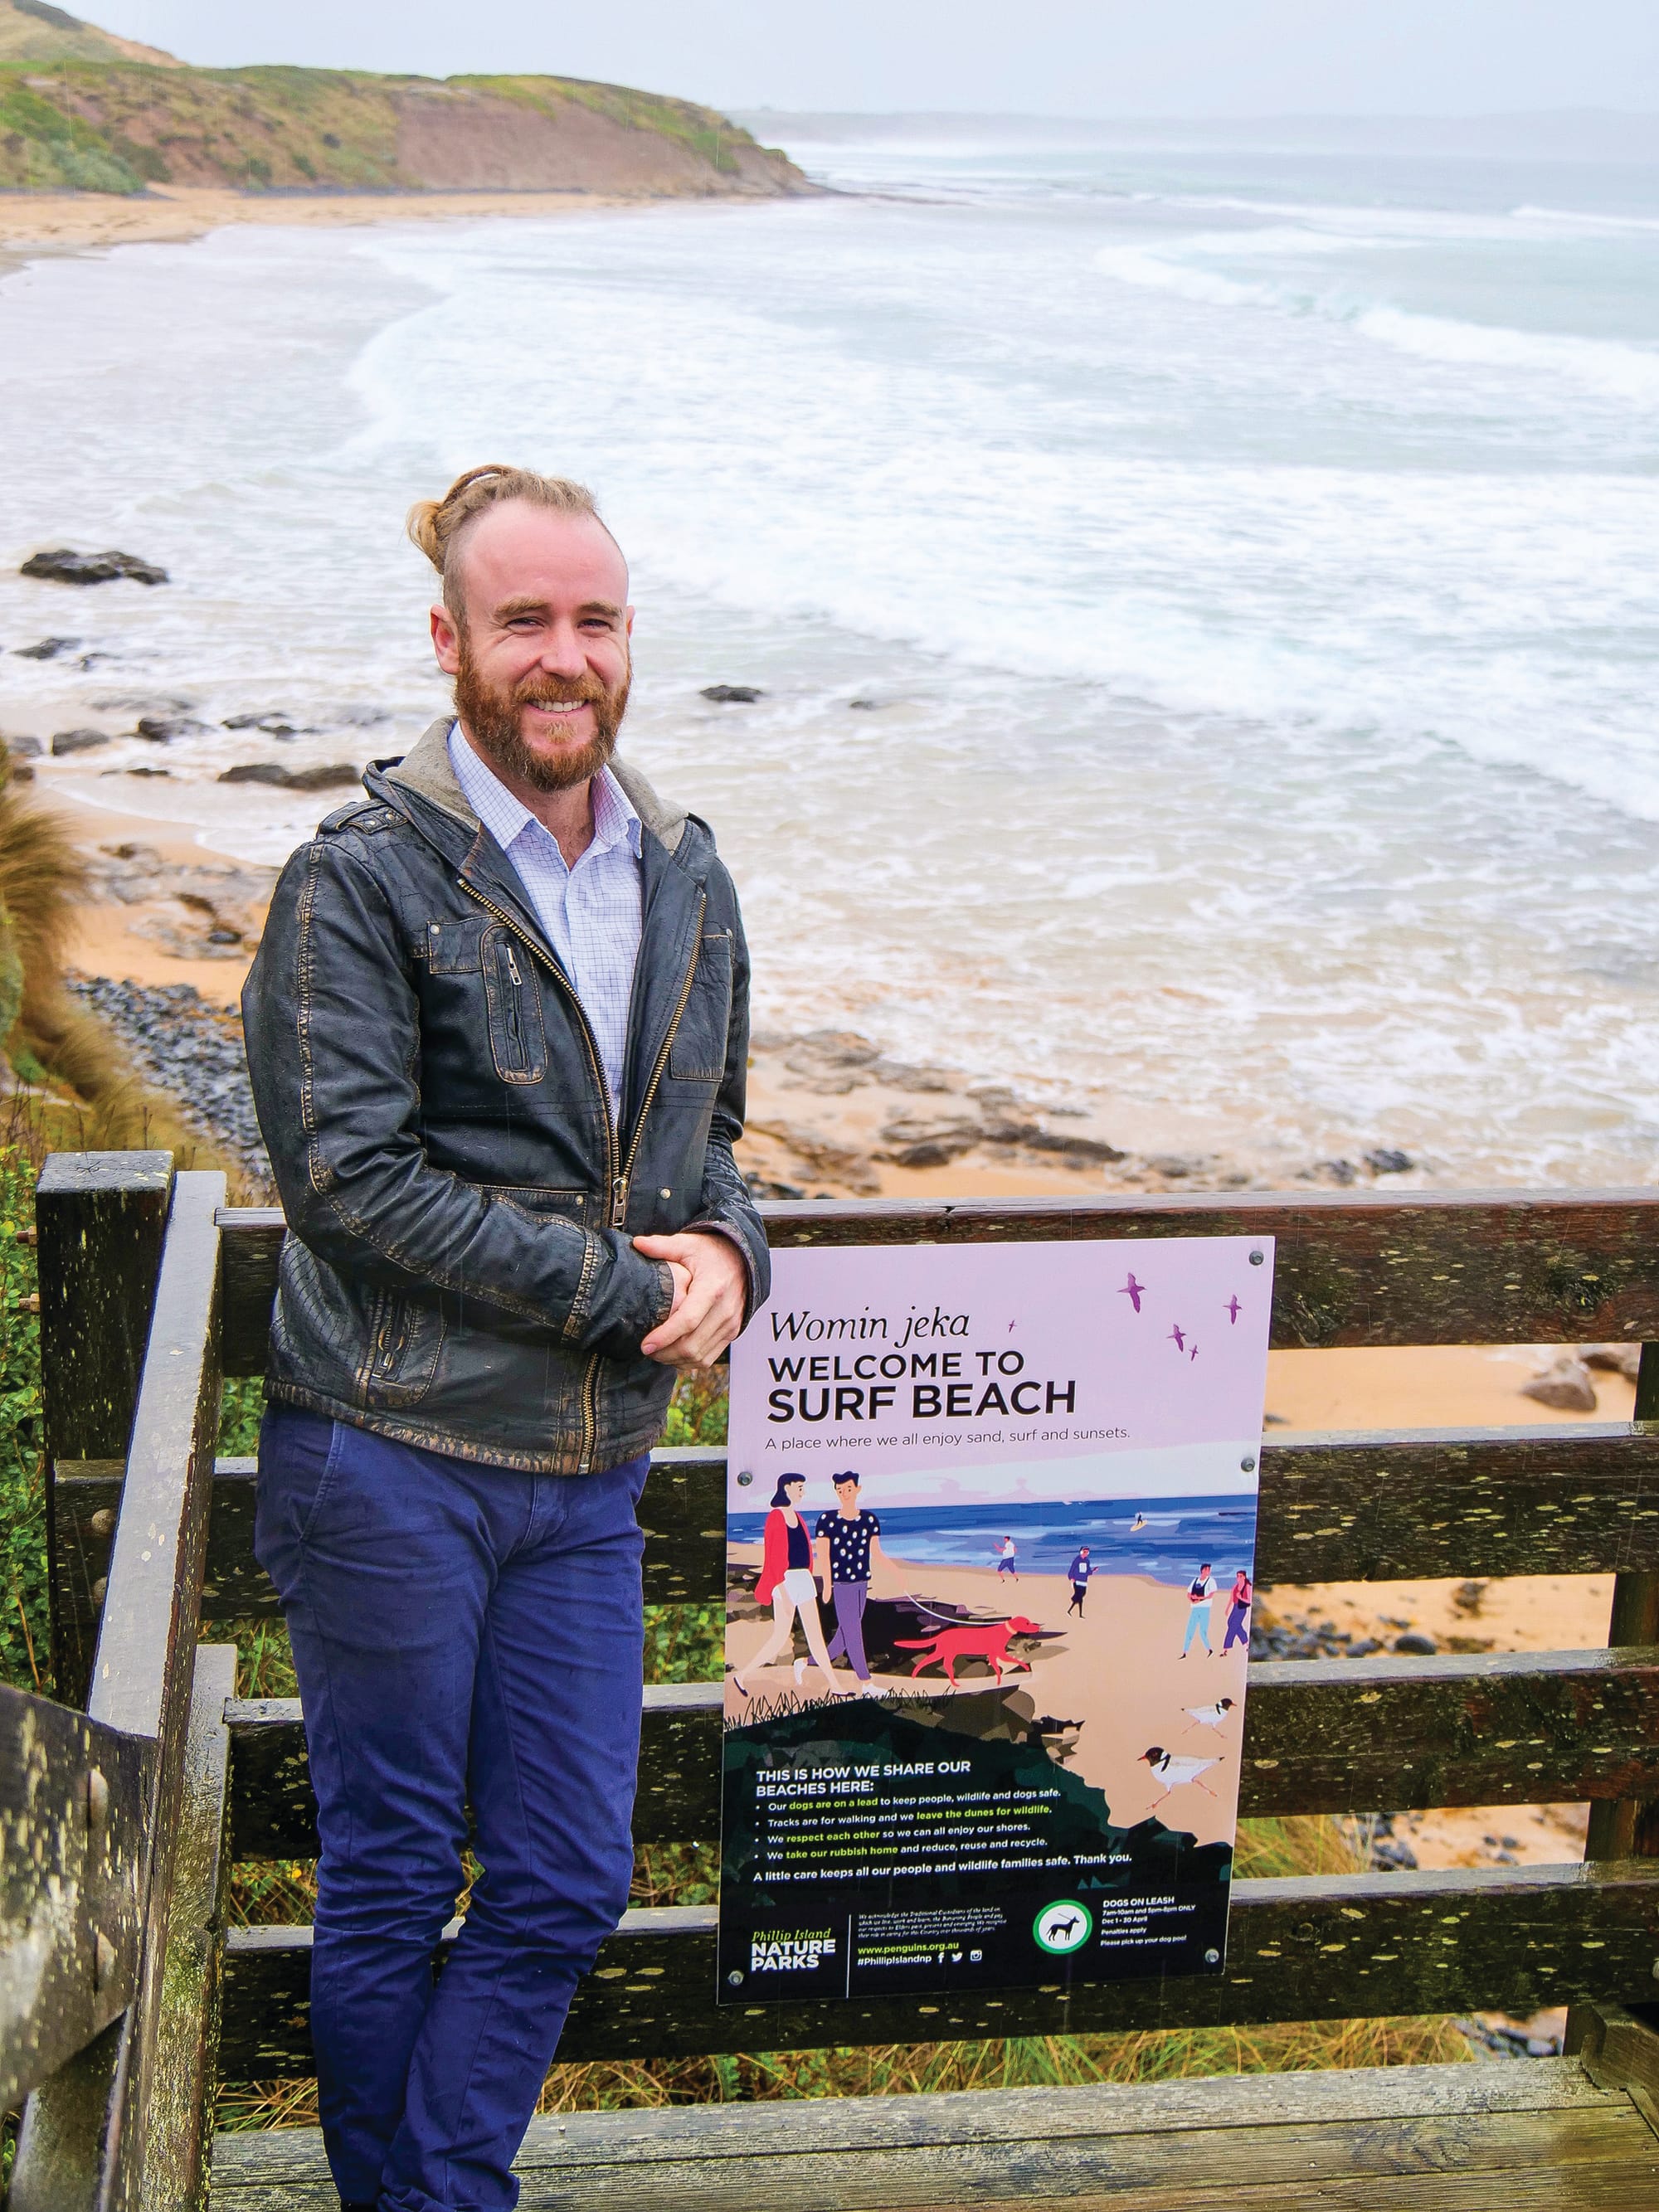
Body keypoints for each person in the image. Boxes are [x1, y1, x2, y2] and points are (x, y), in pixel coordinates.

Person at [242, 465, 768, 2212]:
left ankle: (430, 2196)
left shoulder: (683, 872)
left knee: (560, 1874)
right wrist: (634, 1292)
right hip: (385, 1453)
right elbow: (347, 1180)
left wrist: (733, 1254)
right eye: (525, 620)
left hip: (583, 1480)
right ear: (452, 639)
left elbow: (713, 1149)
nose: (565, 656)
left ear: (629, 641)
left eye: (594, 620)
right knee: (394, 1869)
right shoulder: (360, 878)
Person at [734, 1474, 848, 1695]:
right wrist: (784, 1593)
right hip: (784, 1581)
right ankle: (742, 1674)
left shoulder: (798, 1517)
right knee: (779, 1638)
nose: (802, 1492)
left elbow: (804, 1551)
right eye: (799, 1487)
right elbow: (774, 1558)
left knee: (815, 1637)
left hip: (803, 1580)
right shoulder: (776, 1517)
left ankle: (835, 1685)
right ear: (786, 1488)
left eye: (803, 1487)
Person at [814, 1469, 888, 1693]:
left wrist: (895, 1571)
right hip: (842, 1584)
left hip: (861, 1582)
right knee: (854, 1633)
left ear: (857, 1489)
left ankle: (806, 1662)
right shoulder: (827, 1519)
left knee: (843, 1638)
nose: (844, 1493)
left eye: (848, 1489)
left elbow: (876, 1552)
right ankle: (866, 1682)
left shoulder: (869, 1519)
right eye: (839, 1490)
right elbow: (823, 1555)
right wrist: (827, 1585)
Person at [1181, 1562, 1218, 1656]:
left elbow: (1211, 1595)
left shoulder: (1211, 1581)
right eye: (1206, 1569)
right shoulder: (1195, 1580)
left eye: (1209, 1570)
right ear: (1202, 1570)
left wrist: (1199, 1599)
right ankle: (1185, 1651)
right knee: (1190, 1629)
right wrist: (1192, 1600)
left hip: (1205, 1608)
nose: (1208, 1571)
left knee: (1203, 1631)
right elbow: (1188, 1593)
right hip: (1195, 1608)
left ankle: (1209, 1649)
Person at [1223, 1566, 1253, 1652]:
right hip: (1235, 1607)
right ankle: (1245, 1641)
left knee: (1234, 1626)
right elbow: (1232, 1598)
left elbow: (1249, 1601)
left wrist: (1240, 1598)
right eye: (1238, 1576)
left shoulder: (1247, 1586)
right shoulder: (1235, 1586)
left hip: (1242, 1608)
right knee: (1230, 1622)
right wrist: (1228, 1608)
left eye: (1240, 1576)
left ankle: (1226, 1648)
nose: (1239, 1578)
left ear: (1244, 1577)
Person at [1066, 1544, 1094, 1616]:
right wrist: (1071, 1577)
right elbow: (1072, 1569)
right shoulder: (1077, 1560)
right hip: (1077, 1580)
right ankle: (1080, 1614)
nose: (1086, 1553)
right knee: (1080, 1598)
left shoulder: (1087, 1561)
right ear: (1081, 1552)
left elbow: (1088, 1572)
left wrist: (1093, 1570)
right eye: (1084, 1552)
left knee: (1082, 1595)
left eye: (1087, 1552)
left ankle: (1069, 1611)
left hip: (1084, 1581)